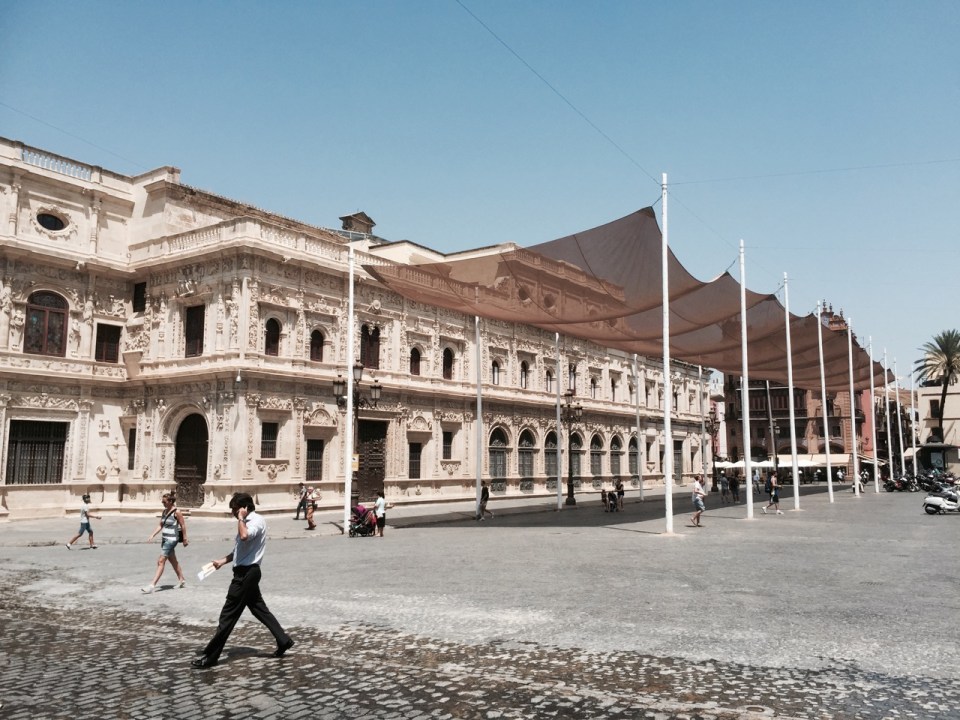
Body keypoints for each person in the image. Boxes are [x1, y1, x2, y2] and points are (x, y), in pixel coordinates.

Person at [192, 493, 294, 669]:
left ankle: (211, 657)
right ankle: (283, 640)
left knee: (227, 616)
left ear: (244, 508)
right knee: (259, 610)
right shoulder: (245, 522)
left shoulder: (255, 521)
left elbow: (245, 536)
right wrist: (222, 561)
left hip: (246, 575)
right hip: (246, 573)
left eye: (234, 509)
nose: (233, 513)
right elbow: (239, 550)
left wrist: (241, 519)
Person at [142, 492, 189, 592]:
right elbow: (161, 525)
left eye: (164, 501)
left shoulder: (177, 512)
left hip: (172, 539)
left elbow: (183, 525)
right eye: (162, 501)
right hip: (165, 539)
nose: (162, 503)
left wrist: (185, 538)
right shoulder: (164, 512)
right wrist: (153, 534)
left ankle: (151, 585)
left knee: (161, 561)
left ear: (170, 501)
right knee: (173, 560)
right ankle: (182, 580)